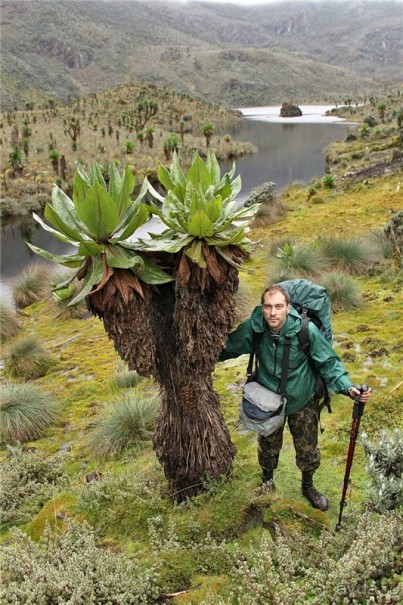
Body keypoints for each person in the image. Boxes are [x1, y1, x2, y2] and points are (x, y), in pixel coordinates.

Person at [219, 284, 372, 511]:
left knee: (308, 450)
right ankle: (267, 481)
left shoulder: (306, 330)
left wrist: (349, 389)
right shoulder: (255, 328)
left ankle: (308, 486)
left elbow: (329, 363)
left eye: (279, 306)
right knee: (268, 448)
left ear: (288, 308)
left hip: (303, 401)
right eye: (268, 306)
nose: (273, 312)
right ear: (262, 307)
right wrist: (198, 355)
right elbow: (229, 347)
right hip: (268, 402)